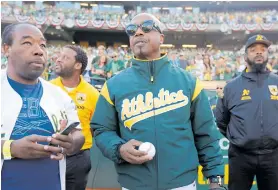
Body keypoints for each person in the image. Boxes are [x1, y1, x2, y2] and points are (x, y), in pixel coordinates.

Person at [92, 13, 225, 190]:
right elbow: (101, 130)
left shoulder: (188, 82)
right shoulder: (114, 85)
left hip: (181, 184)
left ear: (161, 37)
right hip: (134, 184)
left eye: (146, 27)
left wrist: (215, 179)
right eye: (131, 30)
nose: (138, 32)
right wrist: (119, 149)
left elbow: (206, 134)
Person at [1, 23, 85, 190]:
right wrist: (10, 148)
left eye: (43, 45)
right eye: (27, 43)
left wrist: (72, 143)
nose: (39, 50)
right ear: (6, 49)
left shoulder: (59, 95)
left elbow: (78, 133)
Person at [215, 34, 278, 190]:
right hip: (241, 157)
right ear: (244, 56)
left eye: (263, 49)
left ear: (268, 55)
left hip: (273, 156)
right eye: (253, 49)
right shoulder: (231, 87)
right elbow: (222, 120)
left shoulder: (276, 82)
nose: (259, 52)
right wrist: (240, 138)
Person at [51, 45, 100, 190]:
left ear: (78, 65)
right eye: (59, 56)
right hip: (51, 155)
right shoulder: (47, 88)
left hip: (79, 157)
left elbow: (96, 127)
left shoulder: (92, 94)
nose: (58, 59)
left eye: (65, 57)